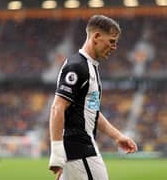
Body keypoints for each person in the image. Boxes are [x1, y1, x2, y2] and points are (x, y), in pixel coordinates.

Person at [48, 15, 138, 180]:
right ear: (96, 37)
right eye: (112, 41)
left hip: (79, 151)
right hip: (80, 150)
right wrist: (57, 152)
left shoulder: (89, 67)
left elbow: (91, 111)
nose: (114, 47)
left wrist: (118, 136)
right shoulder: (77, 66)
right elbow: (57, 107)